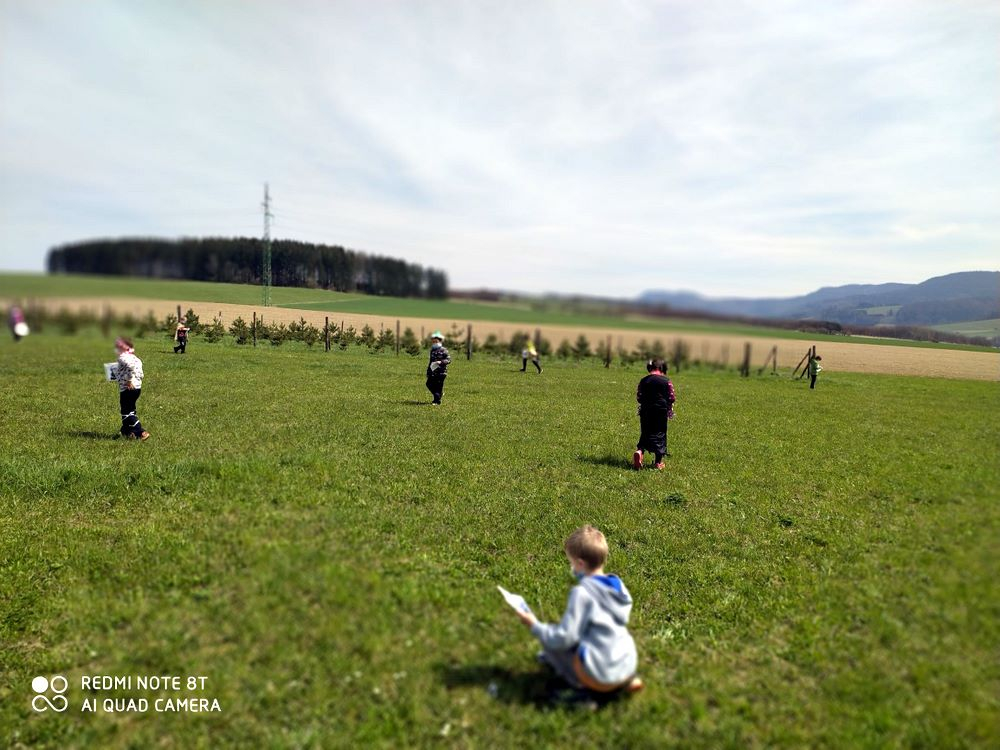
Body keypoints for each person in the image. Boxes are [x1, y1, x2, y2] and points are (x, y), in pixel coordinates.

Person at [513, 525, 643, 695]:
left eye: (572, 563)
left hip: (600, 674)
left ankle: (581, 690)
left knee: (550, 640)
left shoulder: (582, 594)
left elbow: (564, 638)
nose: (572, 567)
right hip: (626, 662)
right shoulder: (618, 587)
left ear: (580, 564)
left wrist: (534, 625)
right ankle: (626, 681)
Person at [633, 358, 675, 470]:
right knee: (660, 434)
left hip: (646, 410)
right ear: (662, 368)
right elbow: (672, 397)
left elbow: (639, 396)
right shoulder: (666, 381)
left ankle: (640, 451)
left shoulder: (644, 380)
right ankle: (658, 463)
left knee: (645, 432)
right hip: (660, 411)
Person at [115, 336, 149, 440]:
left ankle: (141, 432)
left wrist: (129, 381)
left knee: (126, 412)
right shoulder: (135, 358)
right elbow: (140, 373)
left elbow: (130, 367)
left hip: (127, 388)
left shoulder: (123, 357)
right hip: (137, 388)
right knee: (131, 410)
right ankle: (127, 432)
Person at [426, 331, 451, 405]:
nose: (434, 342)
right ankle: (439, 394)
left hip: (441, 372)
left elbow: (448, 360)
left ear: (440, 341)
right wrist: (428, 371)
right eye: (433, 341)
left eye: (436, 341)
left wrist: (441, 362)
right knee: (429, 384)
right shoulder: (432, 350)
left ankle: (436, 401)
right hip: (433, 371)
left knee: (438, 387)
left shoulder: (444, 350)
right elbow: (431, 361)